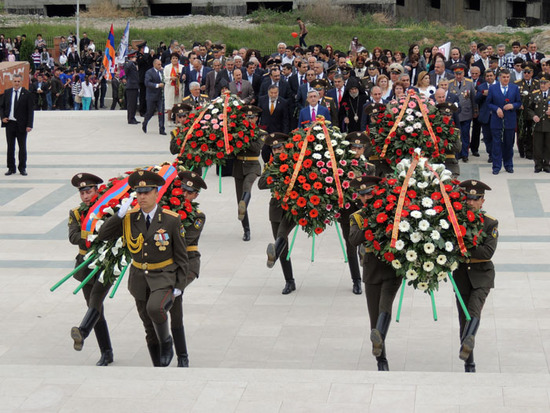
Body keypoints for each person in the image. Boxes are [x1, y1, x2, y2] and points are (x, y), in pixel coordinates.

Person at [98, 170, 189, 367]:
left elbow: (182, 255)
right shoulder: (130, 218)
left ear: (157, 193)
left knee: (154, 308)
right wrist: (119, 215)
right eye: (139, 193)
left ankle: (167, 343)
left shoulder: (170, 219)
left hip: (164, 276)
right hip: (139, 278)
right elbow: (103, 235)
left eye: (146, 193)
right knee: (148, 325)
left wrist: (180, 285)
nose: (142, 197)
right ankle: (158, 364)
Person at [348, 175, 401, 371]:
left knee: (384, 307)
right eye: (363, 195)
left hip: (391, 267)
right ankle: (381, 359)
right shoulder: (357, 217)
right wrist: (373, 221)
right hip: (371, 269)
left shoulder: (391, 211)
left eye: (370, 193)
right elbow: (354, 239)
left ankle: (381, 354)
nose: (366, 197)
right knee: (374, 316)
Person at [69, 173, 114, 366]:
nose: (86, 196)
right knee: (95, 309)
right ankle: (106, 352)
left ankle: (83, 331)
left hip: (107, 263)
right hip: (85, 263)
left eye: (89, 191)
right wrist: (95, 235)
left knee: (96, 300)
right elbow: (73, 237)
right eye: (82, 193)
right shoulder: (77, 213)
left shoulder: (108, 210)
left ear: (97, 190)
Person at [453, 180, 498, 373]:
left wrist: (463, 247)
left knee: (473, 311)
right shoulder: (456, 220)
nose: (470, 203)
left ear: (482, 201)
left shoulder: (490, 222)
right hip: (461, 275)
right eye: (468, 198)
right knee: (464, 318)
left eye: (475, 199)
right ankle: (469, 363)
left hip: (482, 276)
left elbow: (487, 252)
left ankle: (467, 349)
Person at [168, 170, 207, 367]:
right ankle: (165, 346)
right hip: (166, 263)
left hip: (188, 264)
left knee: (174, 303)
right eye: (182, 189)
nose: (184, 194)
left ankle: (182, 356)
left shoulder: (198, 216)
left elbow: (185, 240)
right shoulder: (166, 210)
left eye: (189, 192)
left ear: (196, 195)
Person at [259, 133, 297, 295]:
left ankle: (274, 252)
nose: (277, 151)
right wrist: (274, 172)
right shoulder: (270, 165)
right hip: (275, 207)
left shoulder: (295, 163)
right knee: (283, 248)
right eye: (274, 149)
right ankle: (289, 281)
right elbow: (261, 184)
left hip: (292, 208)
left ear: (286, 147)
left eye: (280, 147)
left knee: (281, 236)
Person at [233, 105, 264, 241]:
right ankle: (246, 229)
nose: (249, 120)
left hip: (252, 166)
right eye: (246, 117)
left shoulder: (261, 133)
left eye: (252, 117)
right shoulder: (237, 131)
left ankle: (243, 205)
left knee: (247, 187)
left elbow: (256, 148)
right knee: (240, 199)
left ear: (256, 118)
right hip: (239, 166)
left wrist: (243, 138)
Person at [487, 69, 522, 174]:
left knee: (508, 144)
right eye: (504, 77)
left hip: (509, 121)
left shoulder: (514, 88)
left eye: (507, 77)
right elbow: (488, 103)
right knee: (497, 144)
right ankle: (496, 166)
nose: (506, 79)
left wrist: (513, 105)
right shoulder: (493, 88)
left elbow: (519, 102)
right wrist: (496, 109)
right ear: (499, 78)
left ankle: (508, 165)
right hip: (496, 121)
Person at [0, 74, 34, 176]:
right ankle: (11, 167)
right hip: (10, 124)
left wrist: (29, 125)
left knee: (22, 147)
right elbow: (1, 107)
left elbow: (30, 111)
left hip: (22, 125)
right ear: (12, 81)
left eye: (18, 81)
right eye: (15, 81)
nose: (17, 83)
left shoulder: (27, 94)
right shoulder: (7, 92)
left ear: (21, 82)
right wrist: (2, 117)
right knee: (10, 147)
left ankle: (22, 167)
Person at [448, 63, 476, 162]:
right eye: (456, 74)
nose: (458, 76)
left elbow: (473, 98)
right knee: (455, 135)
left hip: (466, 113)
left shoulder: (469, 83)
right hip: (455, 115)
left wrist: (475, 111)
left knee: (465, 134)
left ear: (464, 73)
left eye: (460, 74)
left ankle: (465, 154)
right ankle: (457, 153)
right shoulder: (450, 83)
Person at [526, 74, 550, 173]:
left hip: (549, 125)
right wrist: (533, 116)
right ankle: (538, 164)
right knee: (537, 145)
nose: (542, 85)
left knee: (548, 145)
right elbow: (528, 108)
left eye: (545, 83)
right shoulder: (535, 94)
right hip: (538, 125)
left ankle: (547, 163)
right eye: (541, 83)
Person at [142, 59, 166, 135]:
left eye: (160, 64)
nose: (160, 66)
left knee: (161, 112)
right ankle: (145, 122)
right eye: (158, 64)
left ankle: (161, 128)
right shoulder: (149, 72)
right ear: (154, 64)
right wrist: (157, 85)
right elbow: (147, 83)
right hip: (151, 96)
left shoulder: (162, 72)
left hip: (160, 96)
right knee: (150, 112)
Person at [163, 53, 185, 123]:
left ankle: (177, 120)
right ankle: (169, 119)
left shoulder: (182, 67)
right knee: (170, 104)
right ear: (171, 59)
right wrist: (171, 78)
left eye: (176, 58)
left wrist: (181, 77)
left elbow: (184, 77)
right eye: (173, 58)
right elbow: (164, 78)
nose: (175, 60)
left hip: (179, 87)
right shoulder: (167, 67)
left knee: (178, 104)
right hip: (170, 87)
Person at [125, 50, 140, 125]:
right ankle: (130, 118)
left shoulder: (134, 65)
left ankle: (133, 117)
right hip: (131, 86)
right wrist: (131, 61)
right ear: (131, 57)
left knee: (134, 103)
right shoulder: (129, 64)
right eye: (134, 57)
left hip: (135, 86)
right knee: (131, 104)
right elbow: (126, 69)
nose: (136, 58)